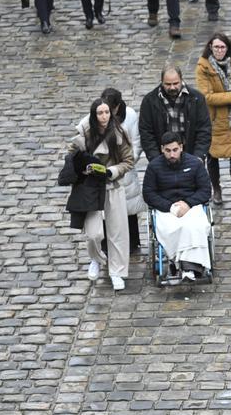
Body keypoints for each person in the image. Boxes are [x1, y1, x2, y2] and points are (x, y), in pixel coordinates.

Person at [69, 98, 134, 291]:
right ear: (94, 115)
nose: (104, 116)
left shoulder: (119, 133)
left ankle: (117, 272)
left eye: (106, 112)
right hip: (91, 188)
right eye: (100, 113)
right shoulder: (85, 133)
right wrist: (82, 168)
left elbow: (128, 161)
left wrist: (111, 171)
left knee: (117, 232)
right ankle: (96, 259)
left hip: (112, 186)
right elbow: (71, 156)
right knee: (93, 233)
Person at [79, 88, 147, 251]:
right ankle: (105, 246)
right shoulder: (91, 119)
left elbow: (136, 142)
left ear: (117, 107)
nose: (106, 115)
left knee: (128, 208)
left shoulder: (130, 115)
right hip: (101, 173)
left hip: (124, 171)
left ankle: (131, 243)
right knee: (104, 210)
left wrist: (126, 163)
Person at [142, 133, 213, 282]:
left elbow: (205, 190)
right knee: (173, 227)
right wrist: (169, 207)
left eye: (175, 150)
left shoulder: (195, 164)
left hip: (191, 206)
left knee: (195, 226)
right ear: (162, 149)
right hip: (166, 208)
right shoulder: (154, 167)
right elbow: (148, 194)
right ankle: (179, 262)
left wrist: (188, 203)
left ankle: (189, 266)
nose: (172, 154)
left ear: (181, 147)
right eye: (168, 151)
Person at [196, 33, 231, 209]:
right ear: (210, 47)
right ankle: (216, 190)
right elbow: (207, 97)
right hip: (214, 118)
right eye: (216, 47)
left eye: (222, 47)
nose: (219, 50)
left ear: (228, 48)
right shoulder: (203, 67)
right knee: (213, 155)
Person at [138, 65, 212, 163]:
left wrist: (198, 156)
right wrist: (155, 159)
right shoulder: (149, 101)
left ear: (181, 80)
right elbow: (146, 133)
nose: (172, 87)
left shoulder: (197, 98)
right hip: (162, 158)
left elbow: (204, 130)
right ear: (161, 82)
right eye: (168, 84)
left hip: (191, 156)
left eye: (176, 83)